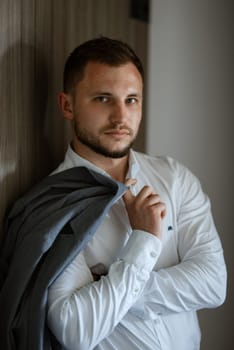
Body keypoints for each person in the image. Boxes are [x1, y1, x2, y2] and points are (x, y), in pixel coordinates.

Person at [47, 37, 227, 350]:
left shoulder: (175, 178)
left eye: (132, 99)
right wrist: (144, 241)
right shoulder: (53, 204)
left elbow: (213, 284)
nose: (120, 117)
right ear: (67, 105)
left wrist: (109, 289)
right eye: (103, 99)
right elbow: (76, 330)